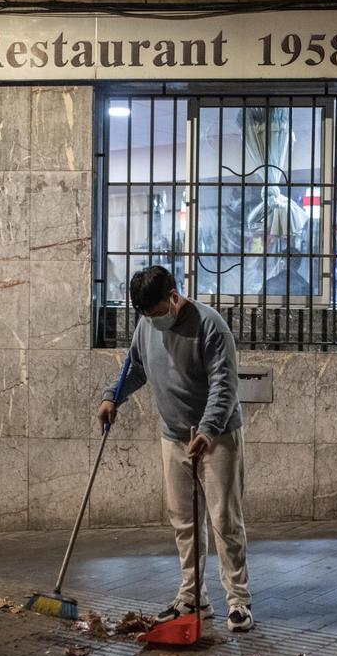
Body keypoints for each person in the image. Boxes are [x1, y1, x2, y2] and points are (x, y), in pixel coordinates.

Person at [97, 265, 253, 633]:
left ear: (173, 295)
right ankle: (192, 596)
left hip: (217, 438)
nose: (153, 321)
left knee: (224, 520)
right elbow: (136, 367)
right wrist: (112, 397)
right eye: (145, 316)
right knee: (183, 521)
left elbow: (225, 386)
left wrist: (209, 430)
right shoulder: (146, 325)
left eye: (156, 313)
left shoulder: (211, 326)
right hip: (173, 435)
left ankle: (239, 602)